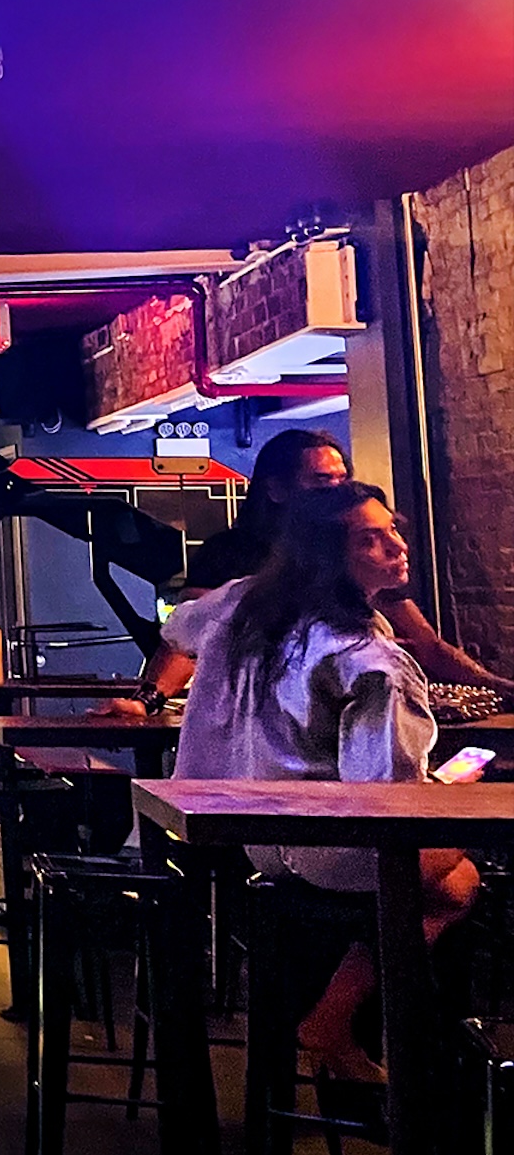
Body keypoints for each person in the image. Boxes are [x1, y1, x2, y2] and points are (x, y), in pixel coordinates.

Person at [167, 482, 480, 1080]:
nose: (395, 546)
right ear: (330, 555)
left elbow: (179, 625)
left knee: (445, 869)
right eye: (371, 538)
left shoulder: (242, 603)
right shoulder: (369, 660)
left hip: (252, 836)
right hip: (330, 848)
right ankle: (415, 1066)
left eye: (393, 530)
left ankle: (334, 1020)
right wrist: (449, 790)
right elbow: (386, 798)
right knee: (461, 871)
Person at [110, 430, 514, 715]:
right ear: (277, 490)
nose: (336, 490)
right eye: (322, 482)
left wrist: (500, 689)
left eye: (342, 479)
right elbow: (188, 640)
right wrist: (148, 700)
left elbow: (427, 645)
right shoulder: (233, 557)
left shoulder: (358, 556)